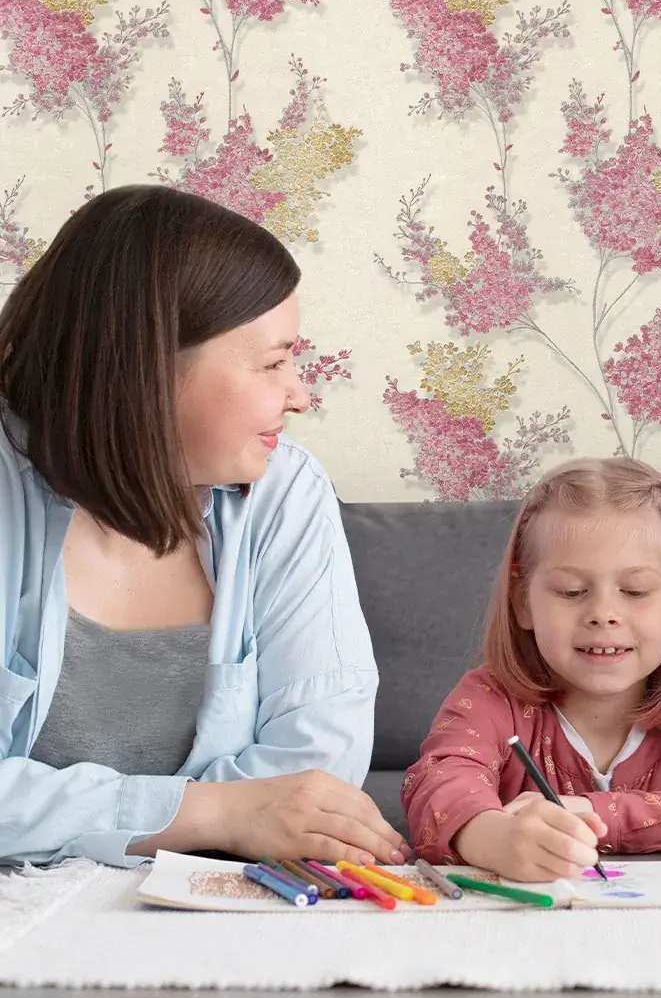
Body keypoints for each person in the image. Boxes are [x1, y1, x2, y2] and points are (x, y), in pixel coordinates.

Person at [0, 184, 406, 868]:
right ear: (146, 371)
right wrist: (214, 813)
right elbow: (268, 808)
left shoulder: (285, 495)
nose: (301, 394)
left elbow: (318, 774)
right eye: (273, 363)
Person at [402, 457, 661, 881]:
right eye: (571, 591)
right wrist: (493, 837)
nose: (604, 613)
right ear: (522, 603)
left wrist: (599, 813)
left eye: (635, 591)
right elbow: (439, 786)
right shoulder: (489, 697)